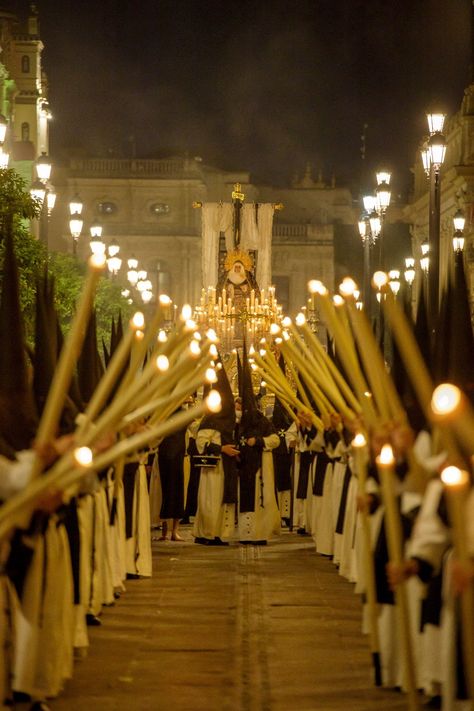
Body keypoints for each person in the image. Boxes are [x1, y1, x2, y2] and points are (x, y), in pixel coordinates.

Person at [193, 361, 239, 545]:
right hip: (213, 468)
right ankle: (207, 533)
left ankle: (219, 533)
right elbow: (202, 442)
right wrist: (222, 449)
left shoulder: (228, 422)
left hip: (226, 467)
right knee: (210, 501)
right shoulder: (210, 420)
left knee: (221, 501)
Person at [157, 415, 187, 541]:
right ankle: (164, 531)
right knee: (163, 492)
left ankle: (175, 531)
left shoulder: (183, 412)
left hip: (179, 454)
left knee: (178, 492)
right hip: (164, 454)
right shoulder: (164, 412)